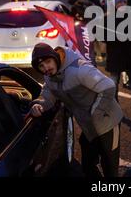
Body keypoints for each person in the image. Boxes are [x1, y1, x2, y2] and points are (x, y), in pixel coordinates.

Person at [30, 43, 123, 177]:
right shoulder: (50, 77)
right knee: (87, 165)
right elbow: (48, 94)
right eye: (41, 66)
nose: (46, 68)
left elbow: (108, 86)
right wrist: (40, 104)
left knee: (109, 167)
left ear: (55, 58)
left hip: (108, 122)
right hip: (89, 125)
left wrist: (96, 113)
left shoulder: (79, 70)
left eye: (48, 62)